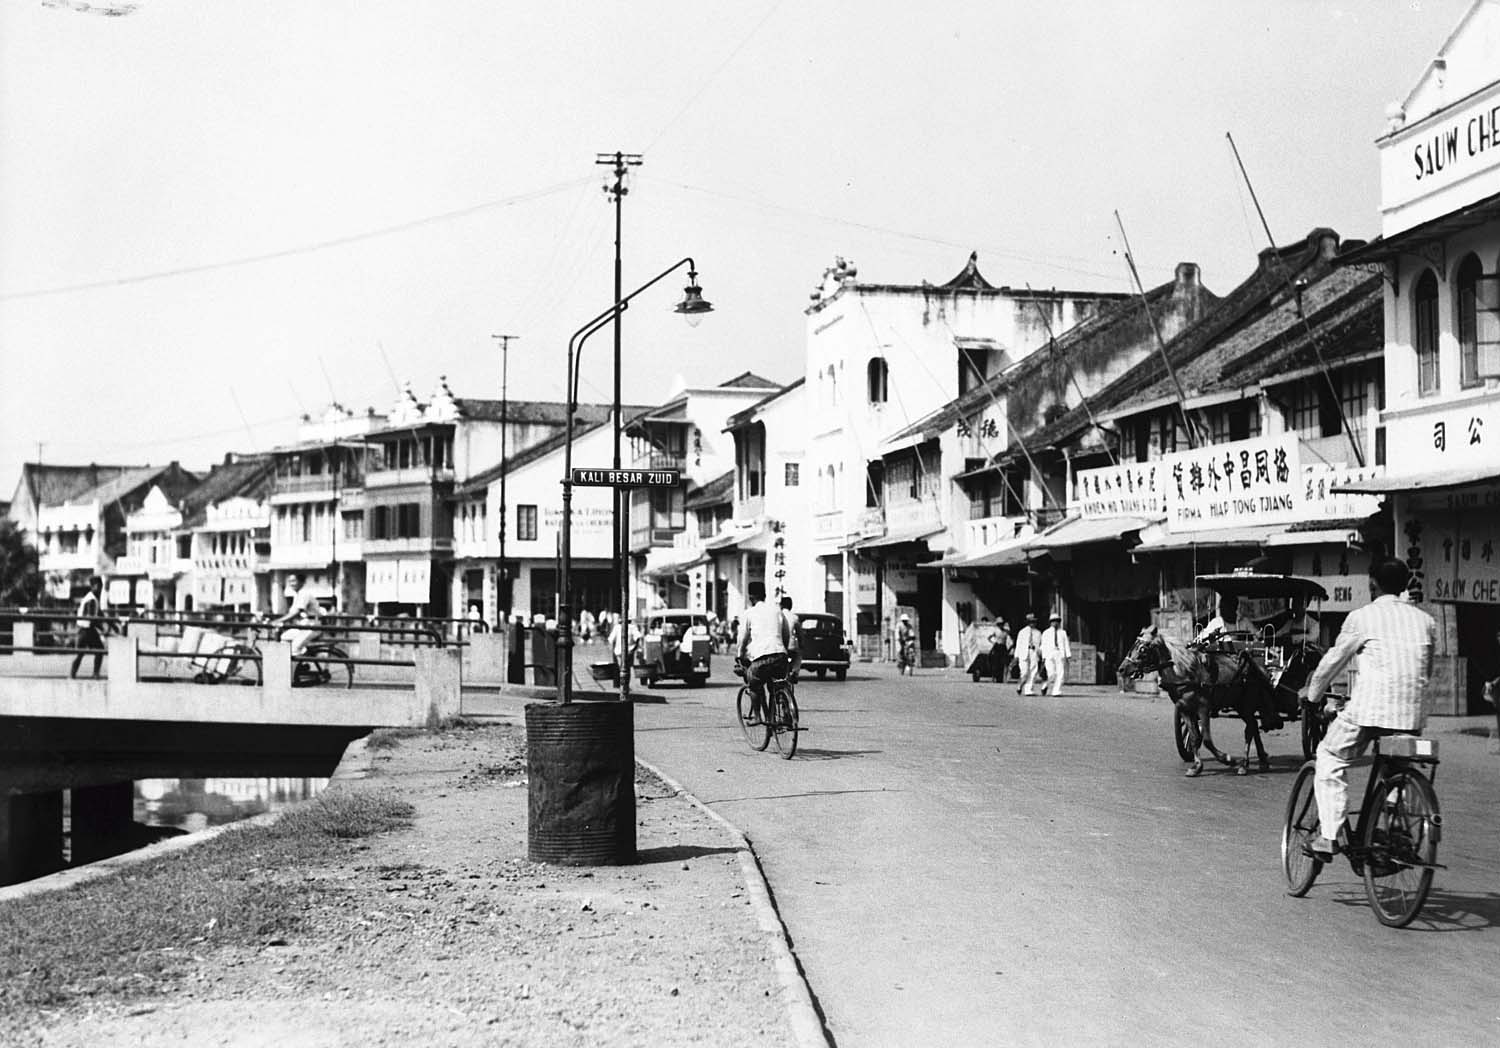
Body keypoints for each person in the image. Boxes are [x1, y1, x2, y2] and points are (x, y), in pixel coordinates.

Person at [1303, 559, 1437, 862]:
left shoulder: (1361, 618)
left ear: (1372, 584)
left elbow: (1332, 662)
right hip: (1411, 714)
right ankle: (1394, 826)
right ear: (1405, 586)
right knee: (1397, 765)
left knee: (1329, 756)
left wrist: (1313, 696)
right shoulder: (1425, 621)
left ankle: (1328, 837)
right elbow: (1426, 671)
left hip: (1370, 710)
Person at [738, 581, 795, 723]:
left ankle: (758, 717)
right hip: (780, 655)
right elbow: (786, 633)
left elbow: (743, 639)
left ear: (751, 597)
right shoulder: (777, 610)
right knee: (778, 684)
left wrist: (739, 655)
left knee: (754, 683)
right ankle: (786, 713)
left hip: (761, 658)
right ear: (764, 595)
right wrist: (784, 650)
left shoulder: (749, 613)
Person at [273, 573, 322, 657]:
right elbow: (291, 612)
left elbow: (296, 612)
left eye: (294, 581)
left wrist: (279, 620)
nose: (291, 584)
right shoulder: (297, 595)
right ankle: (288, 667)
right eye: (290, 581)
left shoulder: (304, 593)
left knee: (295, 648)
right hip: (303, 626)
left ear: (301, 582)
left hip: (312, 626)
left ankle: (300, 667)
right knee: (285, 638)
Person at [69, 575, 108, 679]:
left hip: (85, 629)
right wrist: (102, 629)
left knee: (81, 653)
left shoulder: (92, 598)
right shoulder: (91, 599)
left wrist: (111, 624)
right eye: (100, 587)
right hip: (86, 629)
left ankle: (72, 675)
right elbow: (91, 617)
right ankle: (95, 674)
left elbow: (99, 613)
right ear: (94, 586)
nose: (101, 590)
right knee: (99, 650)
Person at [1039, 612, 1071, 697]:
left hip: (1059, 653)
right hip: (1050, 653)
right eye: (1053, 621)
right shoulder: (1046, 633)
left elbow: (1066, 644)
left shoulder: (1063, 632)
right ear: (1050, 622)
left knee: (1060, 673)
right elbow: (1043, 646)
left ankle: (1056, 690)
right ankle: (1045, 685)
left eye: (1057, 621)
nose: (1055, 623)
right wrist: (1043, 657)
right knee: (1051, 673)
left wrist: (1067, 655)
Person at [1014, 613, 1043, 695]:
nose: (1032, 624)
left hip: (1033, 652)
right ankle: (1020, 685)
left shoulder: (1038, 633)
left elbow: (1041, 644)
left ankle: (1029, 689)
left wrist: (1040, 652)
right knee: (1025, 672)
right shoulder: (1022, 632)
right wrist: (1016, 656)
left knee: (1033, 671)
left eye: (1034, 622)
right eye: (1030, 622)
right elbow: (1018, 644)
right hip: (1024, 652)